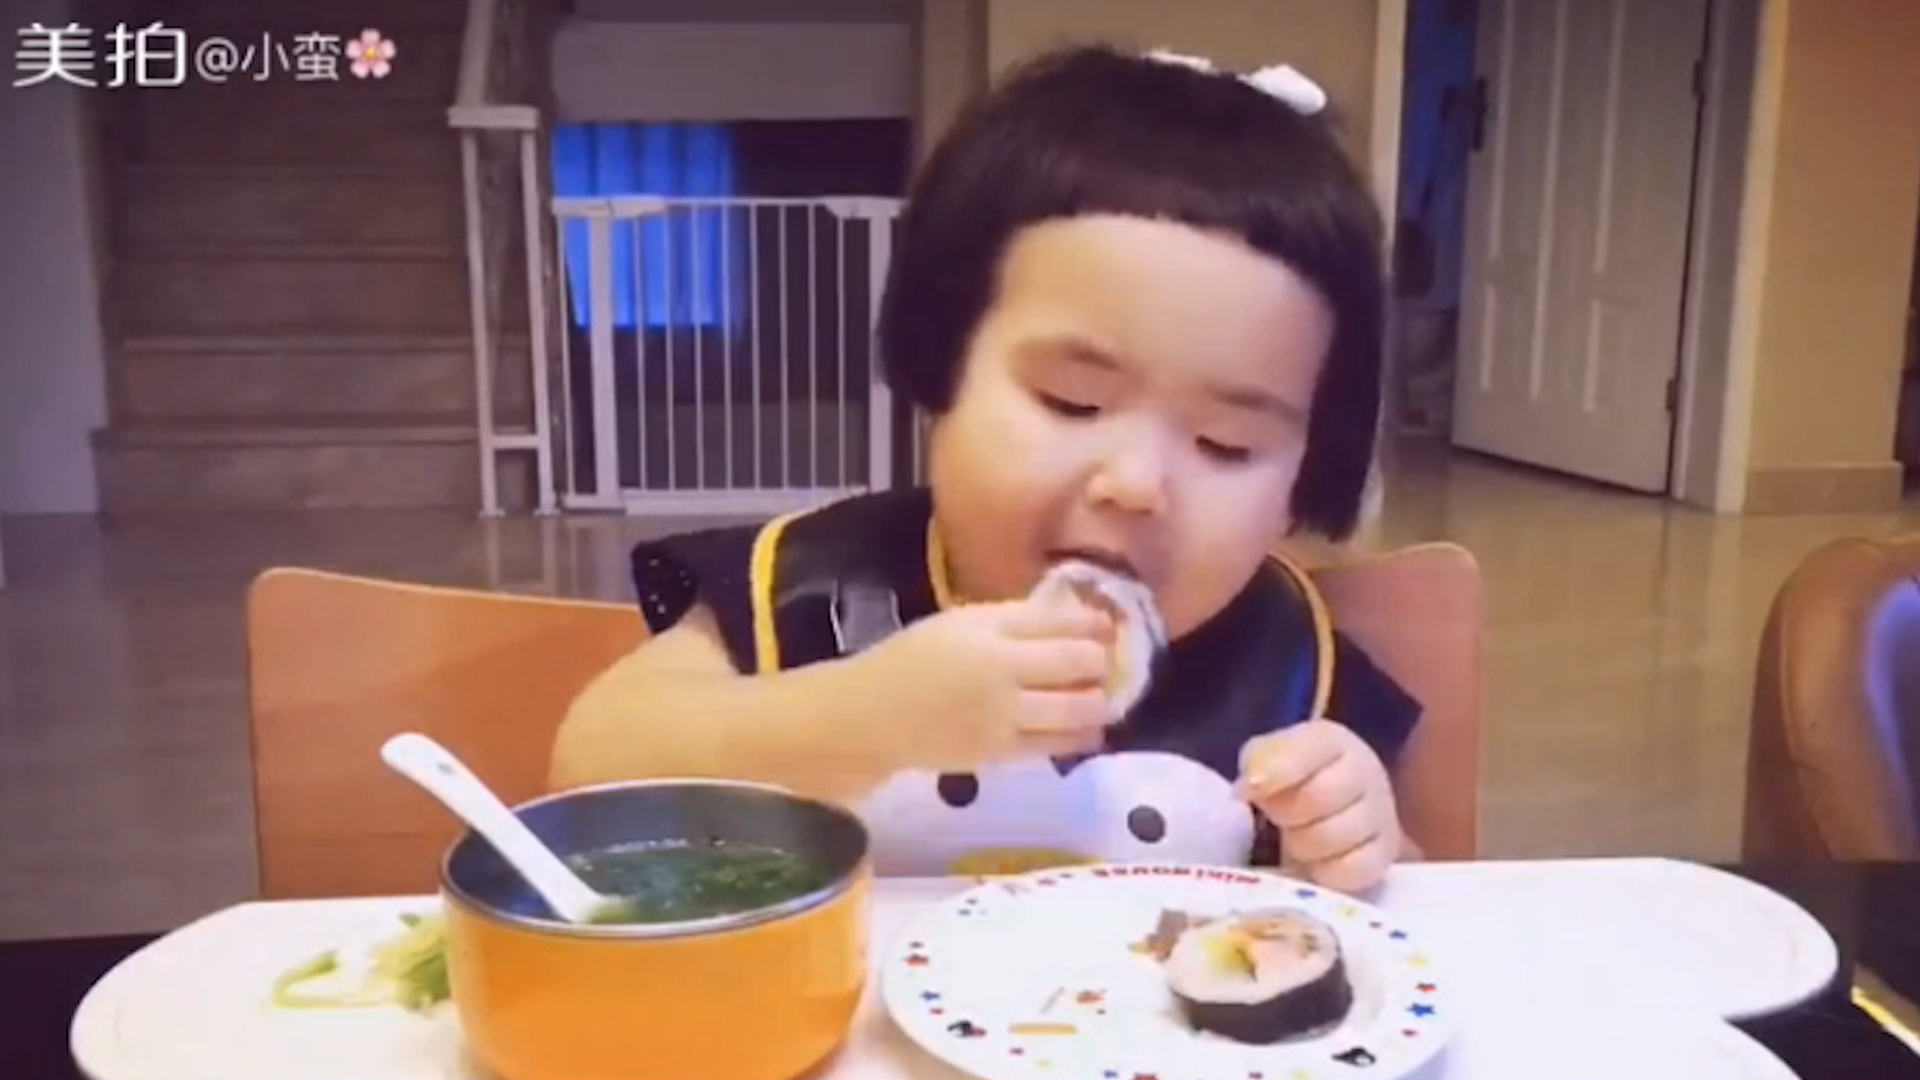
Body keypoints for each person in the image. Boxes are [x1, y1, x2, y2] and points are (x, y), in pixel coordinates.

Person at [551, 43, 1439, 893]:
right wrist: (865, 711)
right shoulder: (814, 587)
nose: (1136, 483)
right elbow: (587, 767)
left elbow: (1430, 904)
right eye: (1072, 402)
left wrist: (1358, 838)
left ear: (1304, 477)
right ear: (943, 367)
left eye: (1226, 445)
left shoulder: (1292, 661)